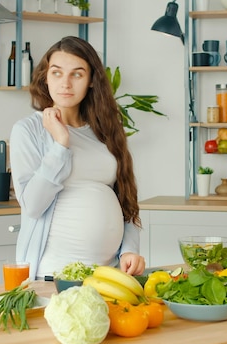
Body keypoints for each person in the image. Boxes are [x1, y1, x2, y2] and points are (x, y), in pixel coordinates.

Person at [9, 36, 146, 280]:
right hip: (54, 275)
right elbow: (32, 205)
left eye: (77, 74)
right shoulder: (28, 130)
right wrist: (61, 144)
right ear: (45, 77)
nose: (66, 84)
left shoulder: (106, 130)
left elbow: (126, 200)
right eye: (57, 73)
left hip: (110, 274)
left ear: (92, 80)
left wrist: (129, 250)